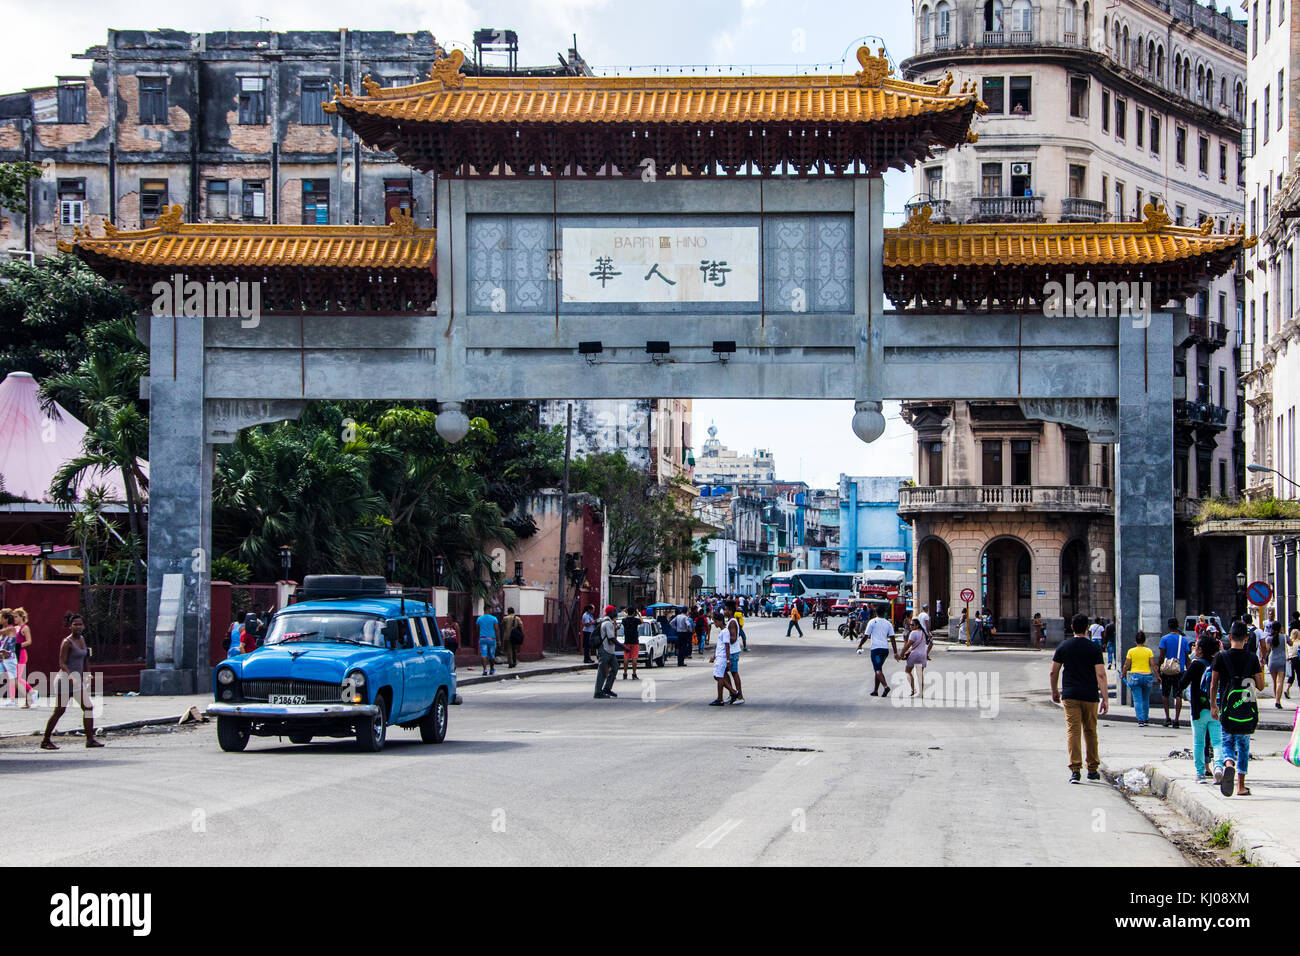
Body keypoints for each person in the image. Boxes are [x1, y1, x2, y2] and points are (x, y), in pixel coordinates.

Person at [1050, 613, 1109, 783]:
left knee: (1073, 731)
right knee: (1090, 731)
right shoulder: (1094, 648)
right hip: (1090, 696)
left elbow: (1054, 671)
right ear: (1087, 629)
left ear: (1071, 628)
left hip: (1070, 695)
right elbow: (1101, 674)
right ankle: (1092, 769)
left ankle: (1075, 769)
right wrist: (1105, 698)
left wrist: (1054, 690)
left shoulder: (1064, 646)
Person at [1210, 622, 1265, 797]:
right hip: (1246, 709)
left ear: (1230, 637)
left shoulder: (1221, 657)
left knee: (1227, 742)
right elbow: (1261, 686)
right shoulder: (1251, 658)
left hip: (1227, 708)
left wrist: (1213, 705)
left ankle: (1228, 765)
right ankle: (1241, 786)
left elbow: (1213, 684)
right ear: (1247, 639)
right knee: (1243, 746)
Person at [41, 611, 104, 750]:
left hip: (77, 681)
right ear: (70, 626)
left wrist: (88, 674)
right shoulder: (66, 642)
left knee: (88, 707)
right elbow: (62, 663)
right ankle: (45, 740)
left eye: (80, 624)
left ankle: (90, 740)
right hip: (65, 679)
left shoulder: (82, 639)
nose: (78, 627)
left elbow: (86, 657)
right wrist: (71, 676)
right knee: (59, 710)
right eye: (75, 625)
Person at [1177, 633, 1224, 783]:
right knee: (1217, 742)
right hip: (1215, 708)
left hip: (1198, 710)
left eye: (1196, 646)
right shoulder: (1217, 664)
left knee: (1199, 742)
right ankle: (1218, 768)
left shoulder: (1196, 665)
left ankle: (1200, 774)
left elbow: (1182, 684)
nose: (1194, 648)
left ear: (1201, 650)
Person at [858, 604, 900, 697]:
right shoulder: (888, 623)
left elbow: (866, 636)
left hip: (876, 650)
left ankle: (885, 686)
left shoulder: (872, 622)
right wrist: (895, 652)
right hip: (885, 650)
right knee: (878, 668)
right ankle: (875, 690)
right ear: (884, 613)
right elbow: (892, 638)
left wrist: (860, 645)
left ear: (875, 613)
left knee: (877, 669)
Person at [1155, 618, 1188, 729]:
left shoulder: (1164, 639)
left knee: (1165, 694)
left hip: (1167, 670)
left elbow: (1161, 655)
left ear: (1169, 627)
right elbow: (1187, 657)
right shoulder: (1183, 640)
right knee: (1178, 695)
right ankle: (1176, 720)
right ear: (1177, 626)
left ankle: (1167, 718)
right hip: (1179, 670)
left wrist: (1159, 669)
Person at [1120, 630, 1155, 726]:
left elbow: (1126, 665)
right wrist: (1158, 676)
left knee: (1137, 699)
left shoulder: (1131, 651)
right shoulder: (1148, 651)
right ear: (1144, 641)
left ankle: (1140, 720)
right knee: (1145, 699)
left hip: (1135, 676)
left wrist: (1123, 674)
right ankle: (1146, 718)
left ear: (1135, 641)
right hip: (1147, 676)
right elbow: (1153, 665)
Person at [593, 606, 621, 699]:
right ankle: (598, 692)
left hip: (610, 650)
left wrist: (615, 629)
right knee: (602, 671)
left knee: (615, 667)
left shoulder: (610, 623)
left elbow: (612, 636)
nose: (615, 613)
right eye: (614, 611)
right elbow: (611, 638)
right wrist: (623, 647)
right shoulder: (607, 623)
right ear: (610, 612)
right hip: (605, 650)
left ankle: (607, 688)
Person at [10, 608, 36, 707]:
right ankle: (12, 700)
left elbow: (29, 641)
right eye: (13, 617)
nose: (14, 618)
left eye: (16, 616)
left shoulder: (25, 628)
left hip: (21, 654)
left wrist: (18, 646)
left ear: (22, 617)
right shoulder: (15, 628)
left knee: (17, 678)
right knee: (13, 677)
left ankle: (32, 692)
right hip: (13, 654)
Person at [709, 612, 736, 706]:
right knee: (718, 676)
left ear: (720, 621)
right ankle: (732, 692)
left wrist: (728, 660)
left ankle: (722, 698)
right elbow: (720, 647)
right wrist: (714, 656)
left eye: (716, 622)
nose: (715, 624)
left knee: (719, 677)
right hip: (720, 657)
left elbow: (727, 646)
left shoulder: (725, 632)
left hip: (723, 658)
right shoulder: (723, 632)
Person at [898, 617, 928, 697]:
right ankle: (921, 693)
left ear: (917, 625)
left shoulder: (913, 633)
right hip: (923, 655)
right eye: (910, 625)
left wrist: (901, 654)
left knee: (907, 671)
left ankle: (913, 689)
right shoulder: (923, 633)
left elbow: (908, 645)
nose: (911, 626)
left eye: (912, 625)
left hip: (914, 654)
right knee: (920, 674)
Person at [1264, 618, 1287, 708]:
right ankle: (1278, 701)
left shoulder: (1269, 639)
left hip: (1272, 660)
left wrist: (1263, 659)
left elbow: (1268, 650)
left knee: (1274, 682)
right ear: (1280, 628)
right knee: (1280, 681)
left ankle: (1276, 699)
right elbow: (1291, 643)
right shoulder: (1284, 637)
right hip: (1282, 661)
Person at [724, 606, 745, 703]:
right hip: (730, 651)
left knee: (734, 673)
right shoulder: (730, 621)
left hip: (732, 652)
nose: (724, 611)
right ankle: (732, 694)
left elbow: (733, 639)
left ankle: (739, 696)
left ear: (730, 611)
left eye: (726, 609)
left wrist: (723, 639)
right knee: (725, 672)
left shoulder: (732, 622)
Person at [476, 607, 500, 675]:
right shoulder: (494, 619)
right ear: (489, 609)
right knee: (491, 655)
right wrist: (499, 640)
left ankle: (485, 669)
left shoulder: (479, 619)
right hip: (491, 639)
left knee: (484, 654)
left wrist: (479, 637)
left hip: (482, 638)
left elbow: (477, 629)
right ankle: (492, 669)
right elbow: (497, 629)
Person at [620, 606, 642, 680]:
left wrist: (626, 612)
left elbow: (623, 619)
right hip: (634, 641)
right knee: (634, 658)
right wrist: (639, 614)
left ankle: (625, 673)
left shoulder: (624, 620)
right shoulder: (636, 620)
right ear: (634, 613)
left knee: (626, 658)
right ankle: (634, 673)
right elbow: (642, 622)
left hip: (627, 641)